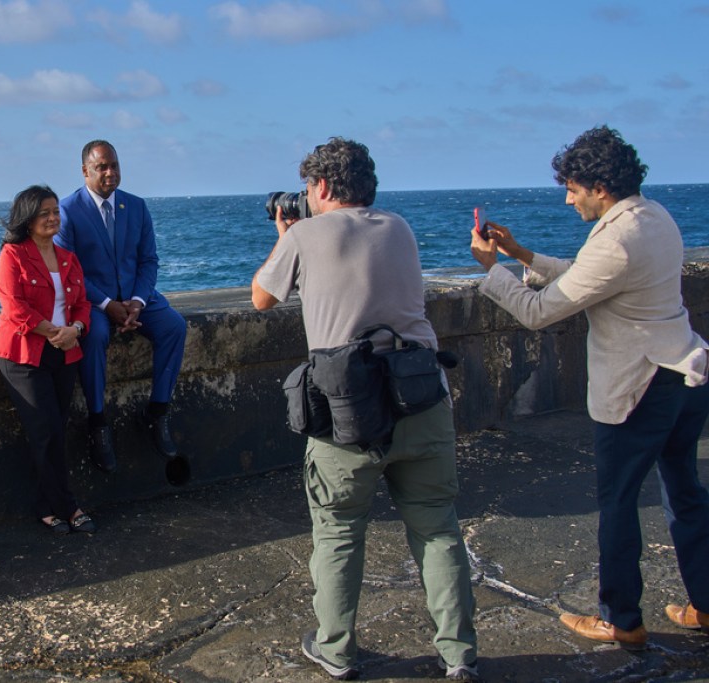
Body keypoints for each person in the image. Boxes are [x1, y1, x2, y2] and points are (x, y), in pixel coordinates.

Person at [471, 125, 709, 650]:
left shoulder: (619, 238)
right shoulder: (653, 216)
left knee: (619, 504)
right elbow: (589, 273)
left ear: (599, 187)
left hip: (640, 385)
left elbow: (536, 313)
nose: (567, 196)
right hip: (684, 373)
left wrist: (492, 270)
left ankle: (622, 619)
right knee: (685, 493)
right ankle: (705, 604)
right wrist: (524, 255)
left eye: (573, 187)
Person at [252, 137, 479, 680]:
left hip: (347, 410)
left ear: (323, 186)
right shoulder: (398, 227)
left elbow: (262, 298)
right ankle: (459, 657)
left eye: (310, 187)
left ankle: (336, 650)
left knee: (337, 532)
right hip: (420, 395)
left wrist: (286, 237)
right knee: (438, 530)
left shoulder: (304, 234)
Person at [56, 139, 187, 472]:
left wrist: (138, 303)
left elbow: (149, 260)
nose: (110, 173)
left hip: (136, 298)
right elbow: (67, 269)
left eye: (114, 165)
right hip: (93, 301)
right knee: (95, 336)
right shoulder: (67, 210)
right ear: (85, 170)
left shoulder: (137, 207)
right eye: (102, 167)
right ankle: (98, 422)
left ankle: (157, 412)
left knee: (174, 326)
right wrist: (106, 304)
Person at [0, 185, 96, 534]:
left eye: (55, 212)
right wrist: (53, 331)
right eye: (44, 213)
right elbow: (14, 306)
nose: (52, 218)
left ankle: (47, 505)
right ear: (28, 219)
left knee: (56, 431)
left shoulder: (68, 258)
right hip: (24, 354)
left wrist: (75, 330)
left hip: (64, 352)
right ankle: (66, 505)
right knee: (44, 431)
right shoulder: (13, 255)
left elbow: (82, 304)